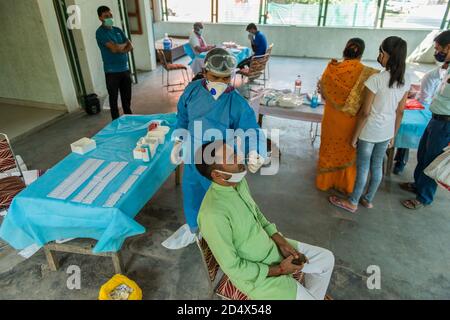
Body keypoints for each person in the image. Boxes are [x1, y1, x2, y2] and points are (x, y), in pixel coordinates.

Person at [196, 140, 334, 300]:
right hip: (256, 278)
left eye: (235, 153)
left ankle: (312, 296)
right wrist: (280, 270)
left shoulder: (237, 183)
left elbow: (258, 216)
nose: (240, 158)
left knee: (326, 259)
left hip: (271, 248)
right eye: (232, 159)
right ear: (217, 174)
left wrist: (281, 242)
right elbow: (233, 268)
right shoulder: (212, 214)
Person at [163, 48, 266, 249]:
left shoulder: (235, 102)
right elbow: (182, 118)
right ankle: (194, 230)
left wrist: (255, 151)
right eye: (214, 77)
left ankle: (220, 237)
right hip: (193, 157)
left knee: (220, 204)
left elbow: (250, 130)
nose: (220, 82)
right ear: (205, 71)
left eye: (226, 77)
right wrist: (178, 140)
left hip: (218, 162)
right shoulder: (192, 91)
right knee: (192, 194)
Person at [329, 36, 410, 213]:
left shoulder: (376, 80)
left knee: (363, 168)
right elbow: (400, 111)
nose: (379, 56)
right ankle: (368, 199)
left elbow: (365, 113)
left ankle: (353, 202)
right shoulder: (405, 80)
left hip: (370, 131)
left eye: (381, 52)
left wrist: (354, 136)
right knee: (377, 166)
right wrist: (393, 136)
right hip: (386, 132)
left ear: (389, 56)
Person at [316, 38, 379, 195]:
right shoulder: (368, 74)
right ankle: (346, 185)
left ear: (345, 50)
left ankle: (325, 183)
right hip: (351, 121)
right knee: (347, 150)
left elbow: (323, 93)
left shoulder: (331, 69)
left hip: (332, 119)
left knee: (329, 148)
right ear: (361, 53)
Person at [401, 30, 450, 210]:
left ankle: (424, 197)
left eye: (439, 48)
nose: (437, 52)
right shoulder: (446, 68)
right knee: (423, 154)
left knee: (432, 160)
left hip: (446, 123)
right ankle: (417, 184)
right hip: (435, 118)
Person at [393, 56, 446, 174]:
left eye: (438, 48)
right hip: (432, 113)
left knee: (431, 154)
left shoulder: (438, 76)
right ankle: (401, 161)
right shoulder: (432, 75)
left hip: (440, 117)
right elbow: (426, 97)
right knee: (409, 136)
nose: (436, 53)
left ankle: (401, 161)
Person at [96, 6, 134, 120]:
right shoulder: (100, 33)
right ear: (100, 18)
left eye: (110, 15)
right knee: (113, 101)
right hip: (112, 72)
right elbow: (113, 49)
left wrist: (119, 47)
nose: (109, 18)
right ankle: (115, 124)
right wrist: (122, 46)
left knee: (126, 99)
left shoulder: (118, 30)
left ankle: (129, 120)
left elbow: (130, 46)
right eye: (106, 16)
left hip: (125, 70)